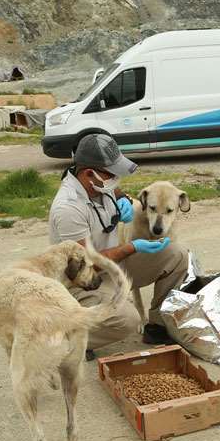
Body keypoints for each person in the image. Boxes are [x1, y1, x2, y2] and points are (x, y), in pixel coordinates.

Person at [48, 134, 188, 358]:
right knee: (127, 320)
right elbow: (85, 268)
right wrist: (131, 248)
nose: (116, 178)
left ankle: (157, 326)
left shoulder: (97, 186)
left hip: (113, 268)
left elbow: (114, 191)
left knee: (178, 254)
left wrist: (123, 198)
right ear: (89, 174)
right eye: (111, 174)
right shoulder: (68, 209)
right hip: (84, 281)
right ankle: (68, 337)